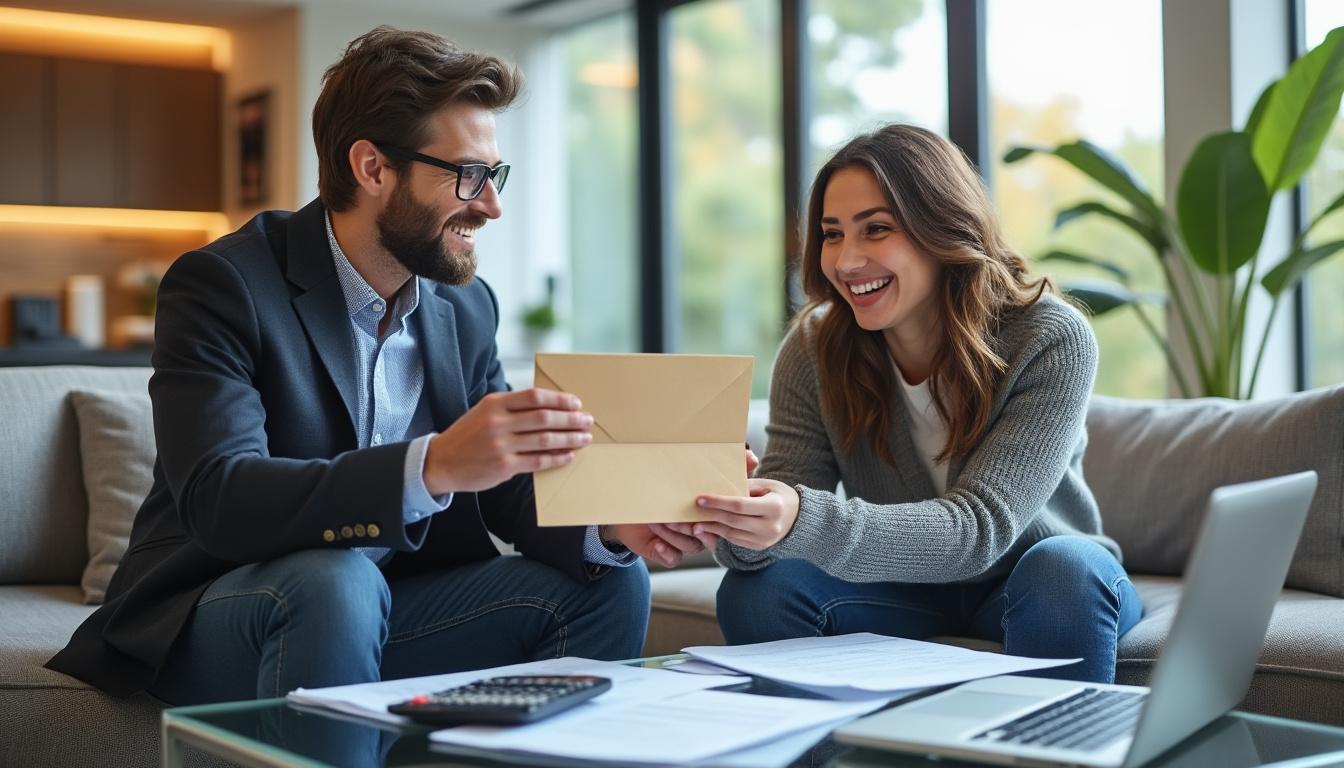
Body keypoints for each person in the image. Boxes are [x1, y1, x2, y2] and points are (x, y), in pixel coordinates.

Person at [48, 27, 705, 704]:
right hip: (223, 607)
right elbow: (221, 497)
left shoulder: (465, 306)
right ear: (372, 168)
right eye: (469, 176)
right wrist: (432, 465)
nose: (491, 204)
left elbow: (504, 488)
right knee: (338, 583)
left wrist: (609, 529)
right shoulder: (224, 284)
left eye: (495, 175)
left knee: (608, 581)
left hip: (384, 605)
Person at [682, 124, 1142, 684]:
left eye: (876, 229)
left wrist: (799, 517)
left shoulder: (1050, 337)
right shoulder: (813, 349)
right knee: (759, 592)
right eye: (831, 234)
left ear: (941, 226)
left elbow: (980, 531)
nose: (847, 261)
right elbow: (780, 531)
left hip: (1034, 576)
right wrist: (741, 521)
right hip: (905, 588)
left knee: (1066, 572)